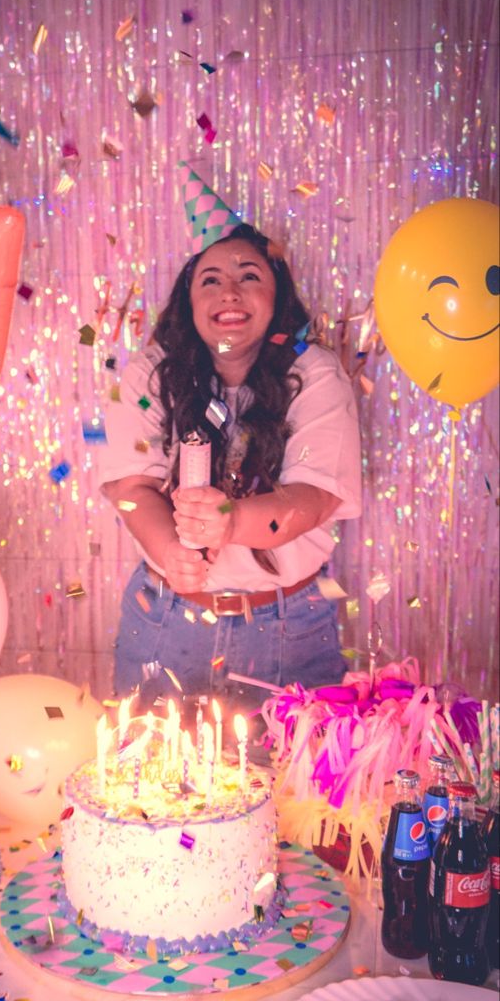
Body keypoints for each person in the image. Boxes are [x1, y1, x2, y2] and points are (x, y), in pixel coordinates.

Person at [101, 222, 361, 707]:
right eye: (211, 280)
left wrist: (233, 521)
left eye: (249, 276)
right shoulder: (150, 374)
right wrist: (171, 551)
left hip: (291, 630)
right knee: (148, 778)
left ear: (277, 297)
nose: (230, 293)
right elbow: (131, 491)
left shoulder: (315, 374)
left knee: (291, 782)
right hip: (164, 619)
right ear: (190, 301)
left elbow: (314, 497)